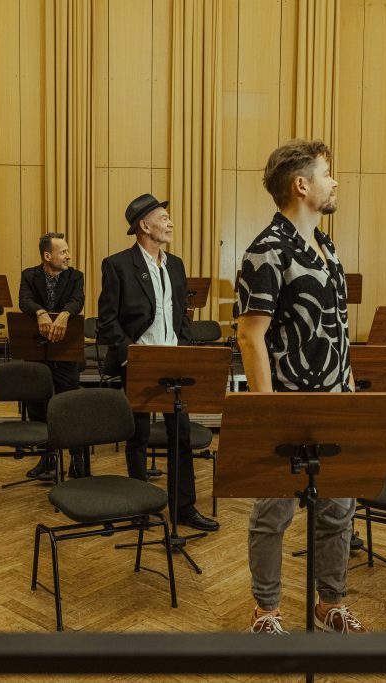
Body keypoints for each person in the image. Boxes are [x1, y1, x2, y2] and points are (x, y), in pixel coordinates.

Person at [236, 140, 365, 634]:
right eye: (327, 173)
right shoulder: (266, 250)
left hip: (336, 401)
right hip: (288, 405)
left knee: (338, 510)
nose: (335, 182)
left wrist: (349, 389)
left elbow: (338, 328)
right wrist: (267, 413)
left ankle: (329, 603)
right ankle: (266, 611)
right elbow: (250, 336)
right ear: (301, 185)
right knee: (273, 514)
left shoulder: (327, 247)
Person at [97, 193, 219, 533]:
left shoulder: (175, 265)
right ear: (144, 225)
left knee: (181, 434)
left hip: (173, 361)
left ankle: (184, 509)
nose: (170, 223)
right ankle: (140, 508)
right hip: (139, 361)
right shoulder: (117, 265)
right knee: (137, 436)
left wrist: (184, 347)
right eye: (163, 218)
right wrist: (130, 356)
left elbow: (181, 314)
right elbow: (107, 321)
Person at [17, 232, 89, 479]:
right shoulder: (29, 275)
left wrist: (65, 315)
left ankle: (76, 459)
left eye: (68, 251)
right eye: (63, 252)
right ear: (47, 256)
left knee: (70, 406)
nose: (69, 256)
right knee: (38, 407)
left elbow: (77, 300)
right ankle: (46, 458)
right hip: (36, 353)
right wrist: (40, 313)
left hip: (66, 353)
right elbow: (24, 301)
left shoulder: (76, 276)